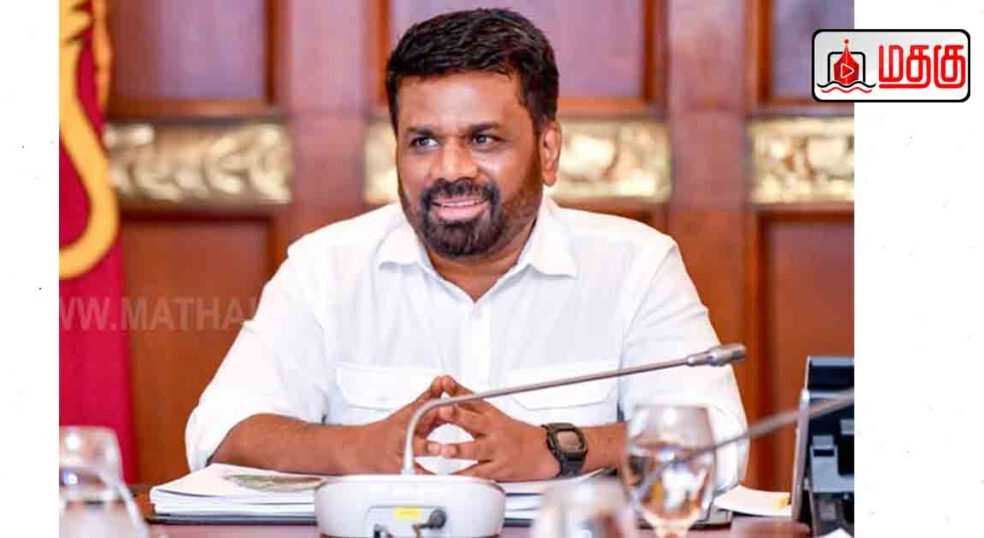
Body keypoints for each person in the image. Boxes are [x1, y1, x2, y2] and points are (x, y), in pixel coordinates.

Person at [186, 7, 747, 486]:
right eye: (423, 141)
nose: (450, 169)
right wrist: (361, 447)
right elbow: (220, 433)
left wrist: (557, 448)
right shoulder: (324, 267)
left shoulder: (635, 266)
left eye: (483, 139)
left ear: (548, 150)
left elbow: (719, 442)